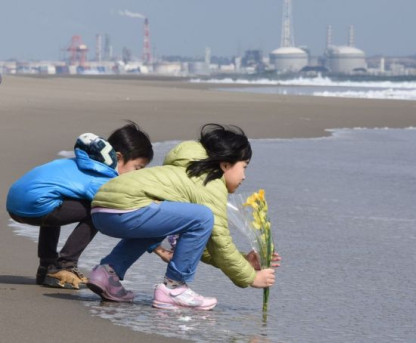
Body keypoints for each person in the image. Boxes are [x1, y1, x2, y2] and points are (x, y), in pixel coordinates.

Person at [87, 123, 278, 311]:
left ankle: (107, 273)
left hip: (101, 209)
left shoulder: (185, 172)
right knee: (204, 217)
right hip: (126, 208)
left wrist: (245, 261)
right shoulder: (209, 181)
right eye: (244, 166)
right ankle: (174, 287)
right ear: (225, 164)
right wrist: (250, 277)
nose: (244, 176)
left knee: (165, 222)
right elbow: (220, 242)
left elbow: (196, 245)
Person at [6, 121, 153, 289]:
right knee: (98, 210)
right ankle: (66, 264)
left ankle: (47, 266)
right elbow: (119, 206)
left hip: (16, 204)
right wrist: (154, 241)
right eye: (137, 168)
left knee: (57, 205)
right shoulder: (102, 177)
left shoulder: (86, 162)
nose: (137, 175)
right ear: (118, 157)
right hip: (34, 206)